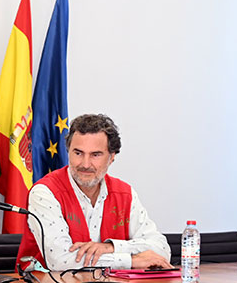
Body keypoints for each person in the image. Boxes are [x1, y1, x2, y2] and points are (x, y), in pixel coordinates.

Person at [16, 113, 171, 270]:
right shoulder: (44, 193)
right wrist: (131, 261)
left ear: (111, 157)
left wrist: (111, 247)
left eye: (95, 155)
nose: (85, 164)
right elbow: (61, 262)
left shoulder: (125, 194)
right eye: (78, 153)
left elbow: (162, 250)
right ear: (68, 151)